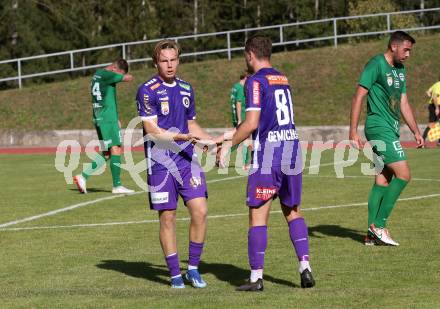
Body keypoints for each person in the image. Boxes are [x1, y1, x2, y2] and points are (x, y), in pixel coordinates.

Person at [217, 35, 315, 291]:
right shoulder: (282, 79)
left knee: (258, 215)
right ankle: (305, 268)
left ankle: (256, 278)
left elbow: (251, 124)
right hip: (292, 149)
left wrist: (229, 145)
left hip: (270, 154)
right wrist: (232, 134)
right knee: (292, 211)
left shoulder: (255, 81)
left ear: (250, 54)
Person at [136, 39, 213, 289]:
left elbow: (191, 125)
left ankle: (192, 268)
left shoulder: (187, 88)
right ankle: (174, 274)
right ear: (156, 62)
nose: (169, 65)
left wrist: (212, 142)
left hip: (186, 160)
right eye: (164, 60)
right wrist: (179, 137)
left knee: (200, 211)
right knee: (167, 217)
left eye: (173, 60)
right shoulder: (146, 90)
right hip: (160, 162)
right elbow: (152, 130)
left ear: (178, 60)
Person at [349, 31, 424, 246]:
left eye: (410, 50)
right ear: (394, 46)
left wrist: (416, 131)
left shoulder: (400, 70)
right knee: (404, 175)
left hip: (390, 129)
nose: (408, 54)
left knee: (383, 178)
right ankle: (378, 225)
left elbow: (403, 103)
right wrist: (352, 131)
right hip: (378, 127)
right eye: (406, 49)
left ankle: (370, 235)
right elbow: (359, 96)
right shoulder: (376, 64)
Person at [73, 59, 135, 194]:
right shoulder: (108, 74)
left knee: (107, 153)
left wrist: (116, 117)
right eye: (118, 72)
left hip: (99, 117)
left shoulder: (97, 75)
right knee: (116, 149)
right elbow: (128, 78)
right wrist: (125, 76)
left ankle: (82, 176)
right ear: (114, 68)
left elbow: (107, 96)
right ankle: (117, 185)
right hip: (107, 119)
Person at [229, 72, 252, 169]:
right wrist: (239, 120)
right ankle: (246, 163)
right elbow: (238, 103)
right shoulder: (241, 88)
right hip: (242, 117)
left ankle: (221, 152)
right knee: (246, 139)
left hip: (237, 117)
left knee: (240, 140)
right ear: (245, 78)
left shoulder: (235, 86)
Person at [422, 77, 440, 145]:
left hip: (434, 105)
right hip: (435, 105)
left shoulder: (436, 84)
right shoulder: (438, 85)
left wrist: (430, 96)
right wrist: (437, 108)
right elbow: (435, 96)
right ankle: (422, 141)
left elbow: (428, 92)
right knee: (432, 124)